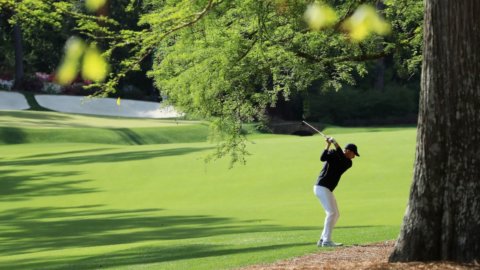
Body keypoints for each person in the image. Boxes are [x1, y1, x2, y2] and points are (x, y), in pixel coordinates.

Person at [314, 137, 360, 247]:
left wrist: (335, 143)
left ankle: (322, 239)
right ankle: (327, 241)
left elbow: (341, 158)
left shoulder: (347, 162)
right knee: (332, 213)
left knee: (335, 214)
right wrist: (328, 145)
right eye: (354, 154)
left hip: (326, 188)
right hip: (321, 186)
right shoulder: (334, 153)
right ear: (348, 151)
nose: (354, 157)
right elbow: (322, 158)